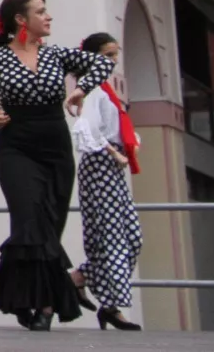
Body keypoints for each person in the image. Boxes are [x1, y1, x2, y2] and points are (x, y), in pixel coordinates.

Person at [0, 0, 112, 331]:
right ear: (21, 20)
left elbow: (103, 62)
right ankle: (47, 305)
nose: (48, 17)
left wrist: (81, 89)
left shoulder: (57, 55)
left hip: (56, 149)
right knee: (30, 220)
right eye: (41, 11)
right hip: (16, 147)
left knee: (47, 226)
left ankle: (25, 297)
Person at [69, 32, 144, 332]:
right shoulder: (92, 89)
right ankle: (111, 306)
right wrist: (115, 152)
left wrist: (129, 145)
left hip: (111, 166)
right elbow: (87, 129)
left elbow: (115, 126)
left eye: (115, 55)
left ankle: (80, 277)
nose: (114, 61)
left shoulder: (106, 90)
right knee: (114, 235)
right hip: (102, 165)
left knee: (130, 236)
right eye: (108, 55)